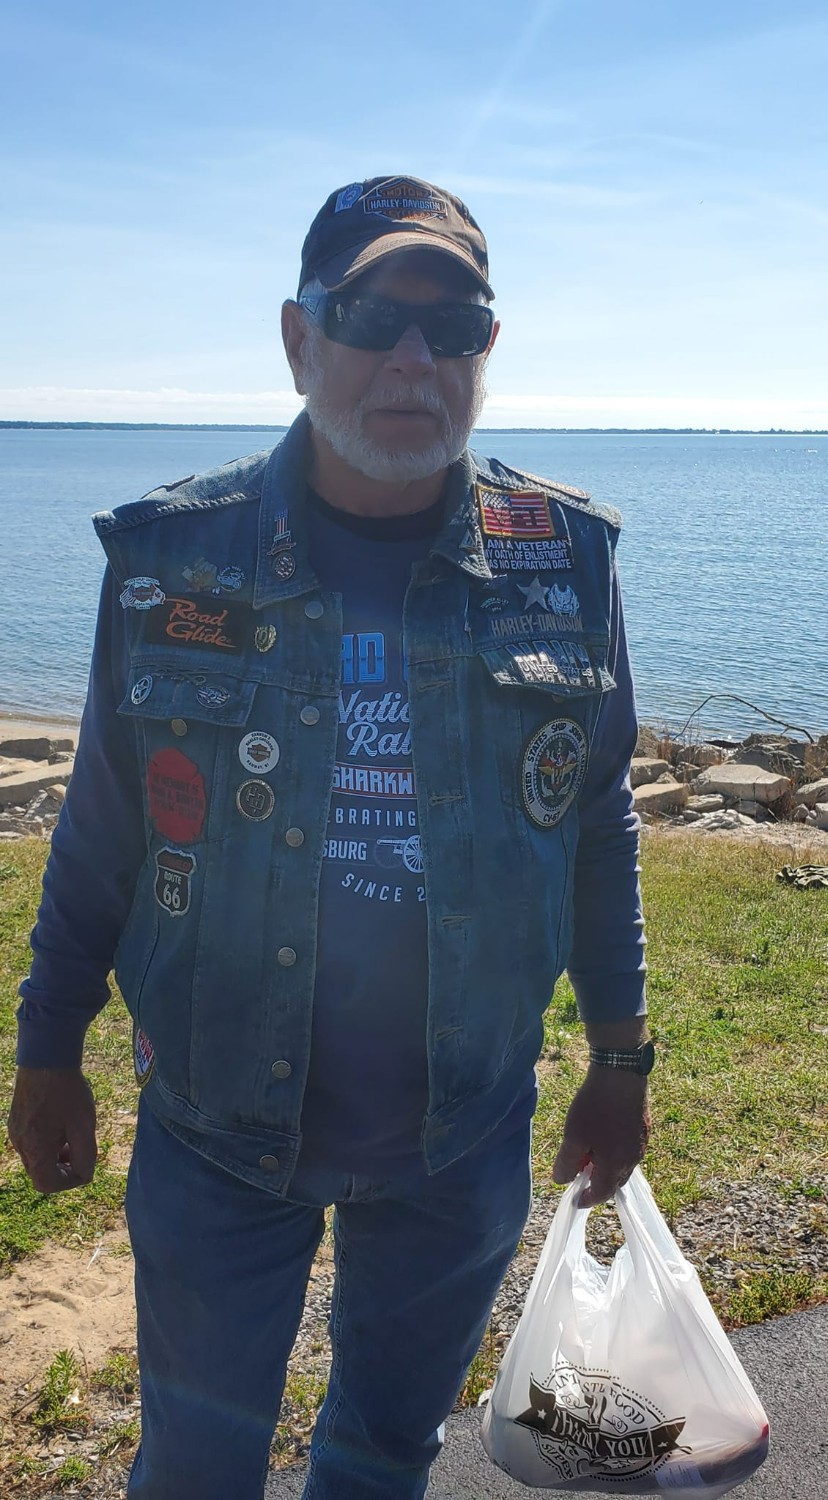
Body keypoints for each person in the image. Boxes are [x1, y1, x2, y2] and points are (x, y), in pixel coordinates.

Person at [8, 175, 651, 1500]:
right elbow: (104, 823)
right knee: (196, 1464)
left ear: (486, 349)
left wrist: (619, 1058)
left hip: (463, 1128)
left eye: (453, 326)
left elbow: (596, 816)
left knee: (380, 1456)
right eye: (369, 317)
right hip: (214, 1121)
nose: (414, 358)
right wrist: (48, 1047)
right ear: (299, 339)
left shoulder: (566, 557)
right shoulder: (172, 558)